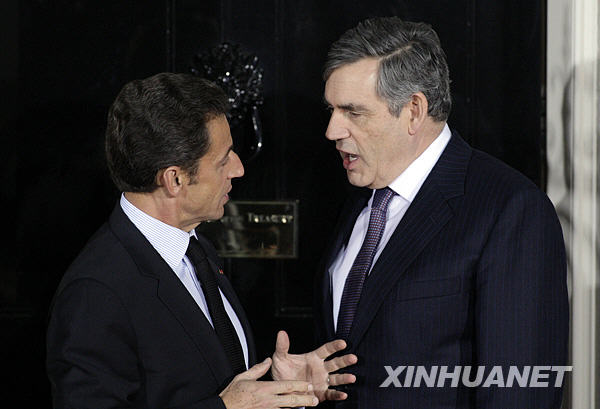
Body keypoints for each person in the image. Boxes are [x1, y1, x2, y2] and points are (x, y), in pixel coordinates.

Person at [46, 73, 356, 409]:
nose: (238, 169)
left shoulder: (196, 250)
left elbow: (209, 384)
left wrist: (279, 388)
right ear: (174, 180)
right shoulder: (95, 292)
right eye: (224, 159)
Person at [316, 17, 568, 408]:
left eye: (353, 112)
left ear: (414, 110)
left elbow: (520, 391)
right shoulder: (359, 198)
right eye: (332, 110)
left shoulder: (510, 209)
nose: (332, 130)